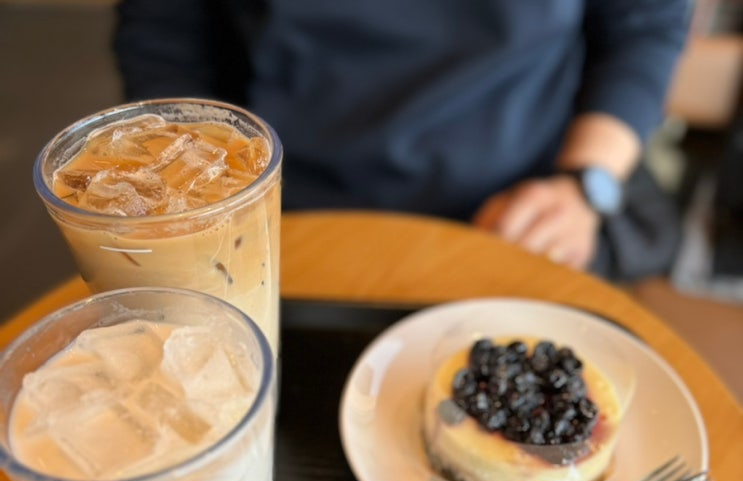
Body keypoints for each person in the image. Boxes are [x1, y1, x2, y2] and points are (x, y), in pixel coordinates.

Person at [113, 0, 691, 280]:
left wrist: (584, 186)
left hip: (520, 208)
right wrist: (205, 192)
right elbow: (163, 35)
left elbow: (645, 28)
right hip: (284, 214)